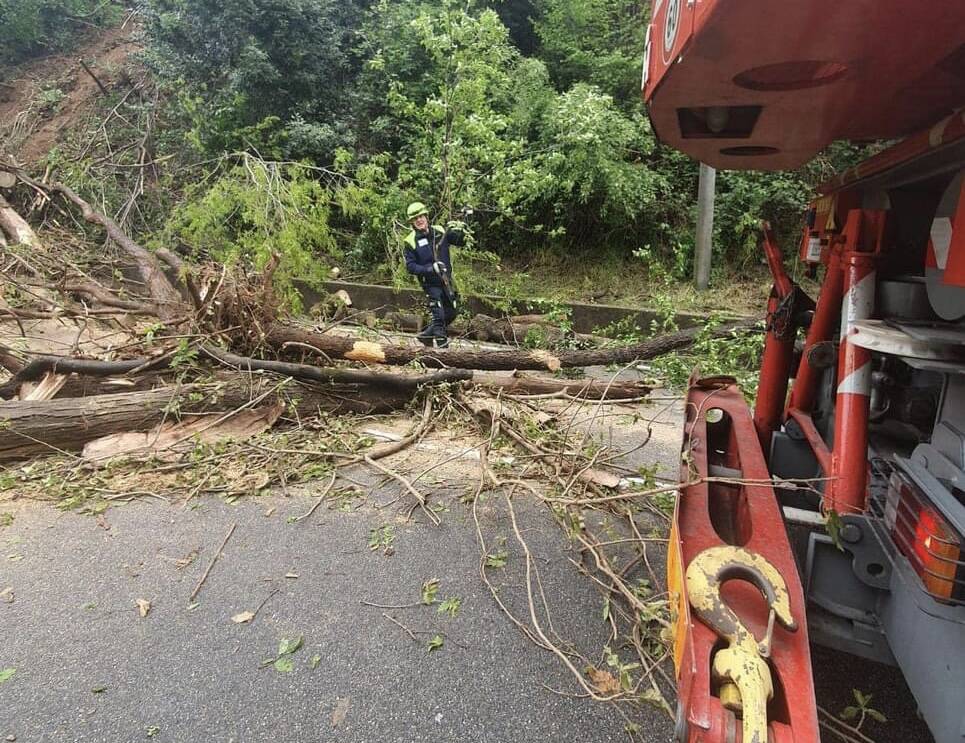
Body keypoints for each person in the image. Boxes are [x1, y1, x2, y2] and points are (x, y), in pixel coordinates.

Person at [402, 201, 465, 348]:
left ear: (426, 216)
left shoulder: (440, 231)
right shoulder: (410, 241)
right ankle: (443, 349)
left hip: (445, 280)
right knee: (439, 315)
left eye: (421, 216)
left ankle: (426, 335)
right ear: (412, 222)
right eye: (415, 218)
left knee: (451, 312)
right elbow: (411, 267)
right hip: (430, 283)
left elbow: (460, 241)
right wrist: (430, 268)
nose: (419, 220)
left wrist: (463, 223)